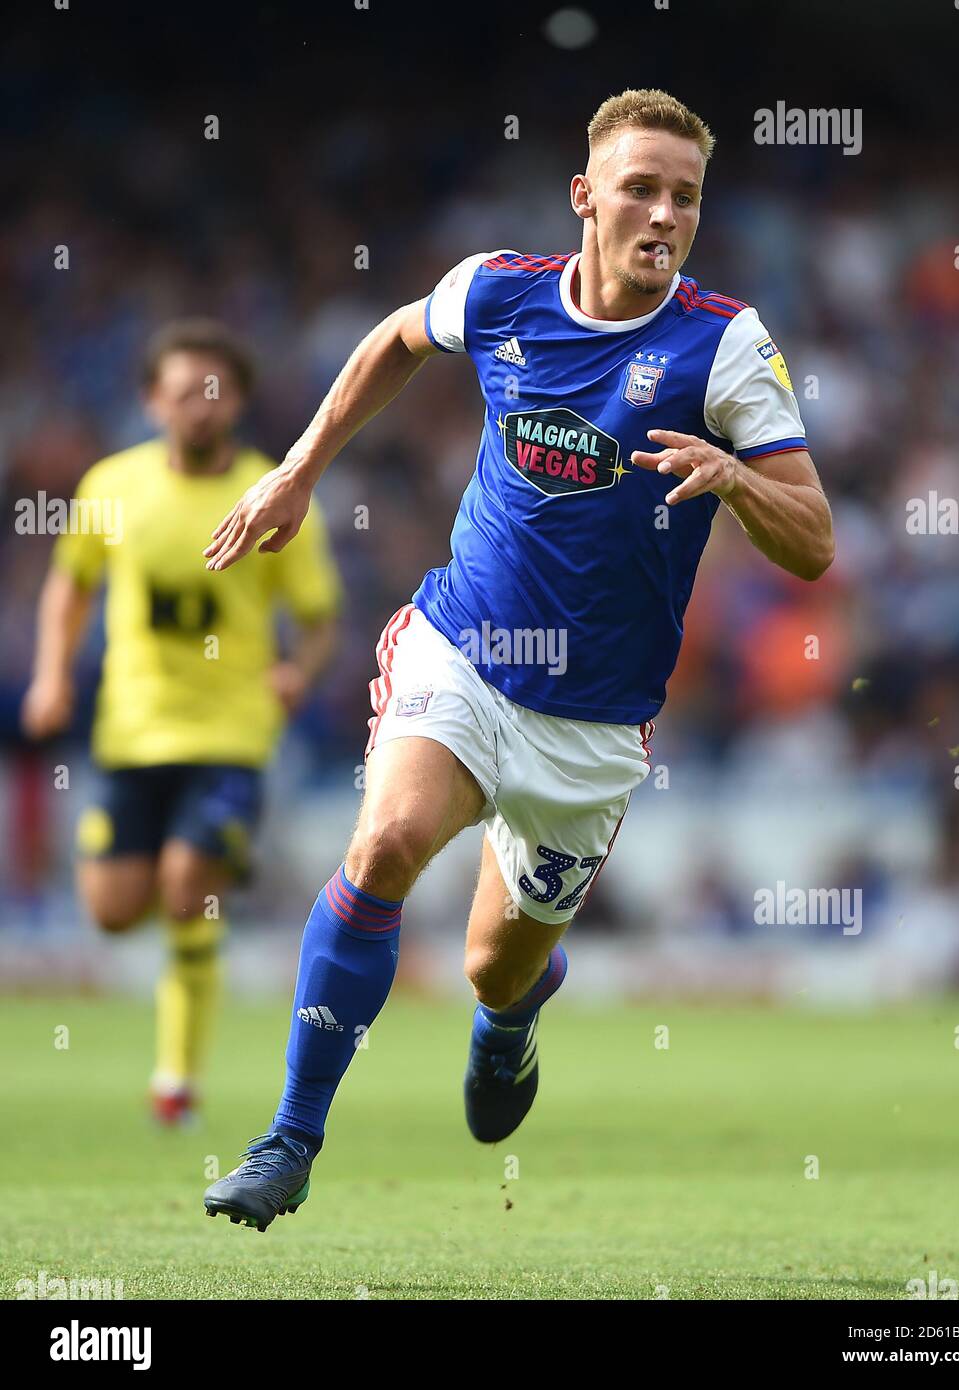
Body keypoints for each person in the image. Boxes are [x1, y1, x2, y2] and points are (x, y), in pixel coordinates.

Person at [200, 88, 833, 1230]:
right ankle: (288, 1137)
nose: (664, 215)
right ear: (586, 196)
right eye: (641, 189)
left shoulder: (723, 345)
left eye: (684, 197)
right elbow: (397, 336)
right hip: (465, 650)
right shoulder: (501, 291)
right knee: (386, 841)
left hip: (591, 726)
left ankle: (508, 1019)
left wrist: (738, 478)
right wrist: (298, 469)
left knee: (496, 964)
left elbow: (815, 540)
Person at [21, 319, 341, 1126]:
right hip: (132, 733)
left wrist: (295, 673)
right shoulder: (112, 487)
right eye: (182, 393)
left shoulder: (276, 488)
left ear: (236, 401)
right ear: (151, 401)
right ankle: (185, 947)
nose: (199, 408)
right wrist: (53, 675)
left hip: (232, 734)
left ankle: (176, 1082)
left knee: (188, 885)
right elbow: (70, 586)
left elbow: (320, 617)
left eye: (215, 392)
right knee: (113, 908)